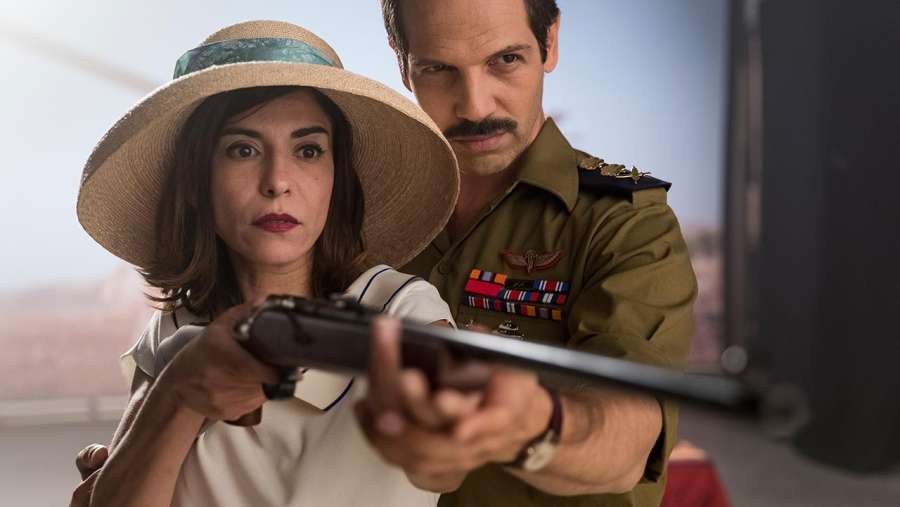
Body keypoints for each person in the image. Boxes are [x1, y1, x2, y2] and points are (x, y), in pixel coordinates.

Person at [72, 20, 461, 507]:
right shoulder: (171, 332)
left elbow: (448, 454)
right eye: (243, 149)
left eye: (308, 150)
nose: (278, 180)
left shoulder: (403, 308)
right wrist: (175, 393)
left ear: (336, 179)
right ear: (195, 183)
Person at [353, 1, 698, 506]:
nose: (475, 107)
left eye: (505, 60)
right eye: (439, 69)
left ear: (549, 42)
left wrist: (530, 428)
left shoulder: (624, 223)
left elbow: (629, 435)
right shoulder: (362, 216)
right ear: (402, 64)